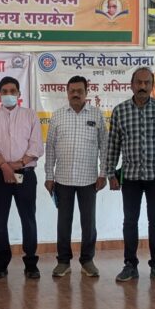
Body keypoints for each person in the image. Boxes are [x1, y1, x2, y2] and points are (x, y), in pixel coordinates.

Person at [106, 67, 155, 284]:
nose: (142, 86)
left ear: (152, 85)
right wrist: (111, 173)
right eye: (139, 82)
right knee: (130, 221)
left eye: (147, 83)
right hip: (130, 176)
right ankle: (130, 265)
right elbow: (113, 145)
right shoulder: (120, 111)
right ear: (131, 85)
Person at [44, 76, 107, 278]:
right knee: (64, 223)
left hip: (89, 180)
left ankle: (87, 260)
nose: (76, 94)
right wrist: (49, 176)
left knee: (89, 223)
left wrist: (103, 173)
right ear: (67, 92)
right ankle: (63, 261)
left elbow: (104, 146)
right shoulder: (58, 116)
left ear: (86, 92)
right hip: (62, 180)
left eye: (80, 90)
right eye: (72, 91)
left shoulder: (97, 115)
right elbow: (50, 148)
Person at [0, 77, 44, 280]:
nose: (8, 94)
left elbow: (36, 146)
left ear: (19, 94)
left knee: (28, 219)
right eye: (4, 91)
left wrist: (17, 165)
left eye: (12, 91)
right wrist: (4, 167)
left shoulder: (30, 115)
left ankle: (31, 264)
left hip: (25, 175)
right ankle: (0, 264)